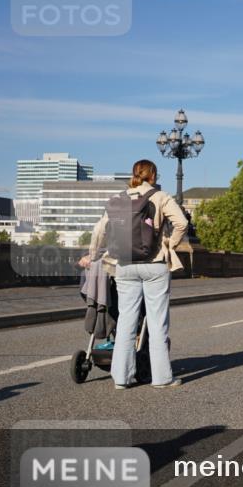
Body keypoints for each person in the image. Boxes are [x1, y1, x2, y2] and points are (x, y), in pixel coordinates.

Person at [84, 159, 187, 389]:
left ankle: (121, 378)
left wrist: (93, 255)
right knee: (157, 322)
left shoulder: (119, 199)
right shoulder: (160, 197)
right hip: (155, 264)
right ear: (154, 176)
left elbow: (99, 229)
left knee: (126, 322)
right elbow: (181, 223)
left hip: (124, 265)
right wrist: (170, 244)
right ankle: (161, 378)